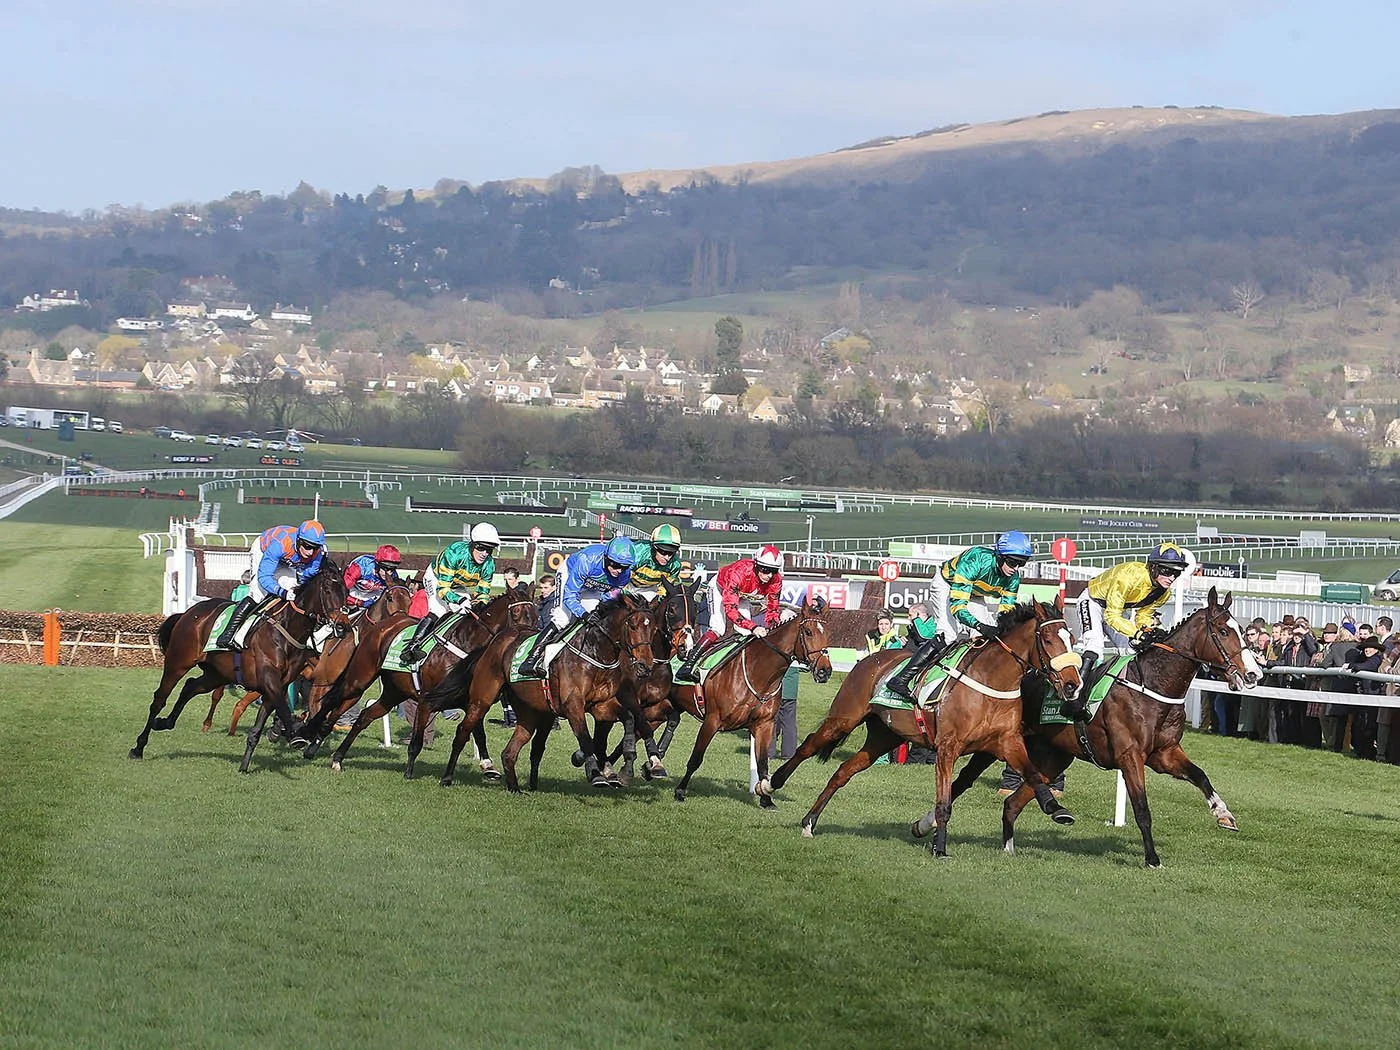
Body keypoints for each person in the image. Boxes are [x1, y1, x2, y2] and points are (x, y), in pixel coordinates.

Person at [886, 530, 1032, 702]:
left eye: (1020, 564)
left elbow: (1005, 614)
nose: (1015, 569)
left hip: (975, 594)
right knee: (948, 635)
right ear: (999, 556)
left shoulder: (1013, 578)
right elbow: (957, 607)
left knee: (983, 639)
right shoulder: (976, 559)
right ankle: (901, 679)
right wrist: (980, 625)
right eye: (1012, 562)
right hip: (947, 585)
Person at [1063, 541, 1193, 720]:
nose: (1171, 577)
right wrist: (1138, 633)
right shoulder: (1128, 576)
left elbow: (1142, 616)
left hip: (1116, 610)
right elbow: (1111, 617)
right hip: (1093, 602)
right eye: (1167, 571)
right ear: (1153, 567)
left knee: (1131, 650)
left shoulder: (1164, 592)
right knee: (1095, 644)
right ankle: (1074, 698)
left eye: (1176, 573)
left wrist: (1148, 630)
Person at [519, 535, 635, 678]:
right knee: (563, 618)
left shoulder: (625, 575)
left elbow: (611, 594)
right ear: (606, 558)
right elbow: (570, 594)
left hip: (593, 587)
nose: (619, 571)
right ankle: (531, 659)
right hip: (570, 575)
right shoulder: (588, 560)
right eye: (616, 565)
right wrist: (583, 614)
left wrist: (598, 609)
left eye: (624, 567)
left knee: (597, 620)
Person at [676, 544, 786, 681]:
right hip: (719, 589)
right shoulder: (739, 573)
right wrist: (754, 626)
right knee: (719, 628)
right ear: (756, 566)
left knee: (745, 632)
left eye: (773, 571)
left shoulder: (776, 581)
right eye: (765, 570)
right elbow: (731, 610)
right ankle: (688, 665)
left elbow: (773, 610)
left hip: (742, 595)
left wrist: (773, 629)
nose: (769, 575)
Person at [217, 519, 326, 650]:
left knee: (292, 587)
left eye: (315, 548)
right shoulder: (280, 545)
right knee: (258, 593)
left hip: (287, 560)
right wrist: (282, 592)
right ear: (299, 540)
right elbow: (264, 577)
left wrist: (296, 589)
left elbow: (308, 575)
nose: (310, 552)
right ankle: (228, 634)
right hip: (263, 550)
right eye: (307, 546)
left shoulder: (318, 554)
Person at [401, 523, 500, 663]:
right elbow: (442, 591)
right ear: (472, 544)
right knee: (439, 609)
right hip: (437, 579)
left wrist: (480, 606)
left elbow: (483, 594)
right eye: (481, 548)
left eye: (489, 550)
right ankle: (412, 647)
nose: (484, 553)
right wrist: (459, 600)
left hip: (458, 585)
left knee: (466, 614)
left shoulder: (489, 565)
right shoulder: (454, 553)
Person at [625, 524, 683, 600]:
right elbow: (623, 576)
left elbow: (664, 588)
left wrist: (658, 599)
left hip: (650, 590)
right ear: (654, 547)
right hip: (628, 584)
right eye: (663, 552)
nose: (667, 557)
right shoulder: (639, 552)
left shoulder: (675, 565)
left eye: (671, 553)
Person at [343, 544, 402, 610]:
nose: (389, 573)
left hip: (374, 596)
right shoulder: (361, 566)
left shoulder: (394, 575)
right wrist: (359, 602)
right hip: (353, 593)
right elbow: (341, 592)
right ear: (377, 563)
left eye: (393, 569)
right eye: (385, 568)